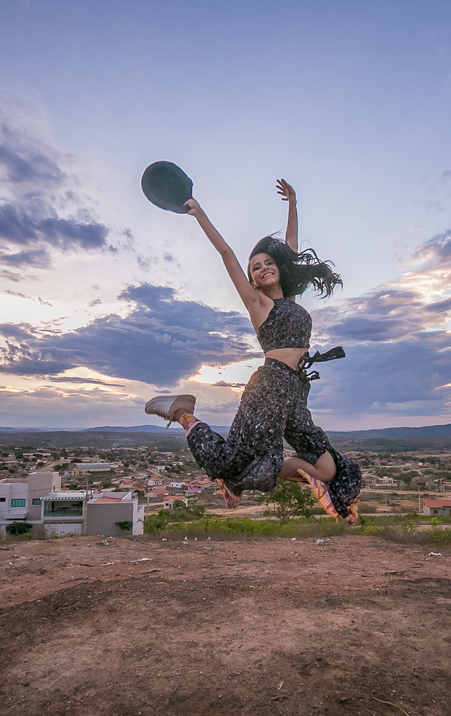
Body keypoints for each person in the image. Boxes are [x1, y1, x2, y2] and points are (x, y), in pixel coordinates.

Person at [144, 180, 361, 522]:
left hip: (296, 389)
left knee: (328, 468)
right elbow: (226, 253)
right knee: (230, 460)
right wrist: (199, 213)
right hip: (270, 387)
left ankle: (251, 478)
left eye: (268, 262)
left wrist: (293, 203)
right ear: (253, 281)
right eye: (256, 268)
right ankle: (183, 412)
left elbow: (290, 246)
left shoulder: (290, 300)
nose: (263, 268)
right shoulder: (257, 303)